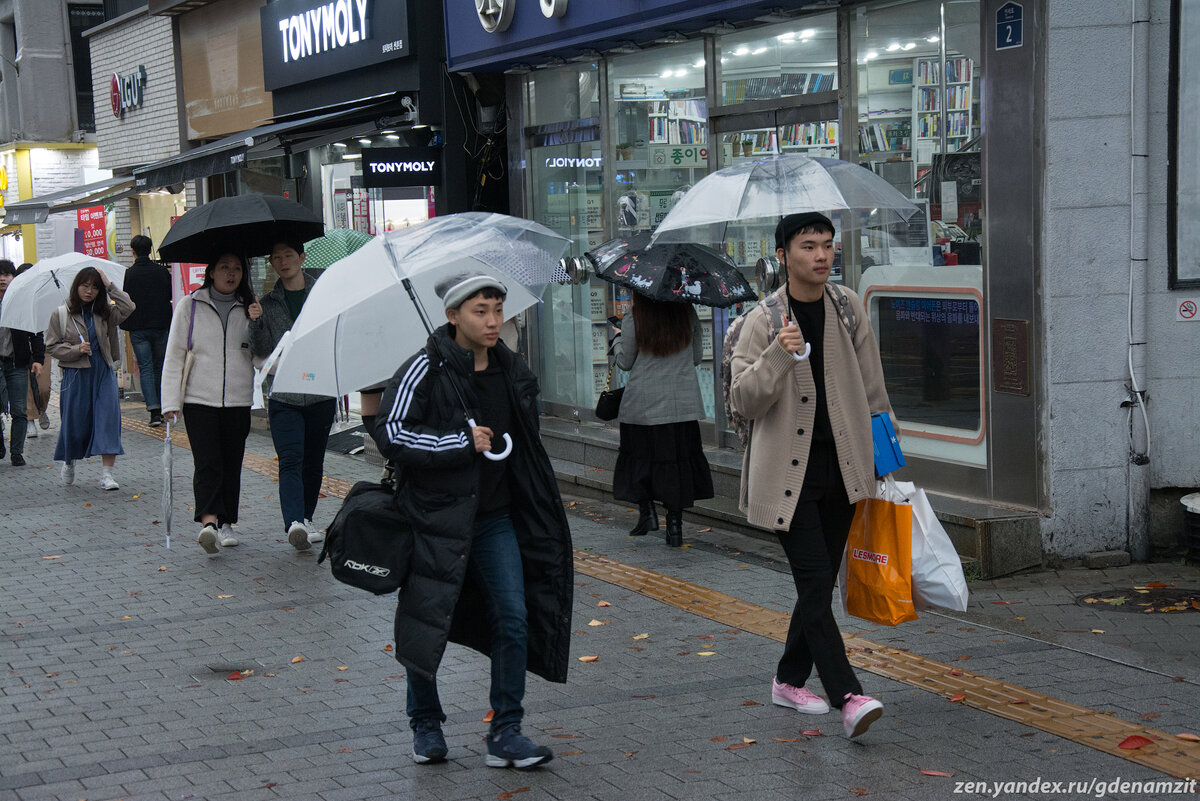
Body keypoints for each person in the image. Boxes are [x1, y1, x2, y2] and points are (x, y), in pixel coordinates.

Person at [373, 272, 572, 770]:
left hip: (496, 519)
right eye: (480, 311)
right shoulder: (424, 369)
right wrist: (455, 442)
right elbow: (391, 432)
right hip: (433, 519)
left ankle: (507, 731)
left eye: (497, 310)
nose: (491, 321)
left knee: (513, 616)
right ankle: (424, 721)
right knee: (426, 618)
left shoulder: (513, 369)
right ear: (453, 315)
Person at [729, 212, 895, 740]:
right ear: (783, 255)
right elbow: (742, 400)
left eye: (826, 245)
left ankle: (787, 679)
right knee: (815, 579)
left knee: (816, 587)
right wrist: (779, 353)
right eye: (808, 246)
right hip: (786, 476)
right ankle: (848, 694)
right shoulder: (762, 321)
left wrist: (886, 464)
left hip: (844, 470)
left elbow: (873, 391)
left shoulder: (847, 308)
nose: (821, 256)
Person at [160, 253, 259, 554]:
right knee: (207, 462)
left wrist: (259, 324)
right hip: (198, 398)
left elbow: (259, 355)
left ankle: (227, 522)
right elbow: (175, 354)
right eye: (224, 268)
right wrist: (169, 402)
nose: (231, 274)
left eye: (237, 268)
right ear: (211, 272)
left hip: (239, 399)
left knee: (231, 462)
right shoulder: (190, 306)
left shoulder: (250, 308)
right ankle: (209, 523)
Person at [248, 239, 337, 550]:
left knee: (313, 461)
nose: (283, 262)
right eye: (276, 257)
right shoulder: (268, 303)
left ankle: (308, 517)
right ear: (271, 263)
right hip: (284, 394)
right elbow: (261, 351)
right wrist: (256, 322)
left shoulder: (324, 295)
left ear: (301, 257)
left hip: (320, 391)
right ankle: (294, 522)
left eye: (288, 255)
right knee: (290, 459)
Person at [611, 294, 713, 546]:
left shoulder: (635, 314)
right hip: (682, 406)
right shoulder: (686, 311)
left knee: (640, 462)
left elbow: (625, 361)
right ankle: (675, 528)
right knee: (675, 466)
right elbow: (697, 357)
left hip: (644, 406)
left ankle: (647, 514)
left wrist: (616, 339)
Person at [45, 267, 134, 488]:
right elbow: (51, 346)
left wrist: (109, 285)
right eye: (85, 285)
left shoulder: (105, 312)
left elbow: (129, 307)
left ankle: (106, 474)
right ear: (76, 286)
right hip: (76, 375)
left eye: (94, 287)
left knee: (107, 420)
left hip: (102, 372)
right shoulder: (61, 314)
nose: (89, 291)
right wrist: (75, 349)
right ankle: (69, 461)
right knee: (75, 425)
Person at [120, 235, 174, 427]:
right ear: (150, 250)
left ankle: (153, 412)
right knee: (160, 366)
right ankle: (163, 406)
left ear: (133, 251)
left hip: (138, 328)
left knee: (146, 367)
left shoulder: (129, 274)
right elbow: (170, 294)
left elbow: (125, 299)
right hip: (160, 325)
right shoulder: (161, 272)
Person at [0, 260, 47, 466]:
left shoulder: (23, 302)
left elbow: (36, 332)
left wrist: (38, 359)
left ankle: (16, 452)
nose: (2, 279)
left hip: (17, 364)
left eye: (7, 275)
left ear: (14, 278)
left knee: (19, 409)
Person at [15, 264, 52, 440]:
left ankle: (42, 409)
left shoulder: (45, 297)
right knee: (27, 388)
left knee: (43, 388)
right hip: (22, 351)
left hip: (43, 348)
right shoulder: (16, 300)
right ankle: (30, 420)